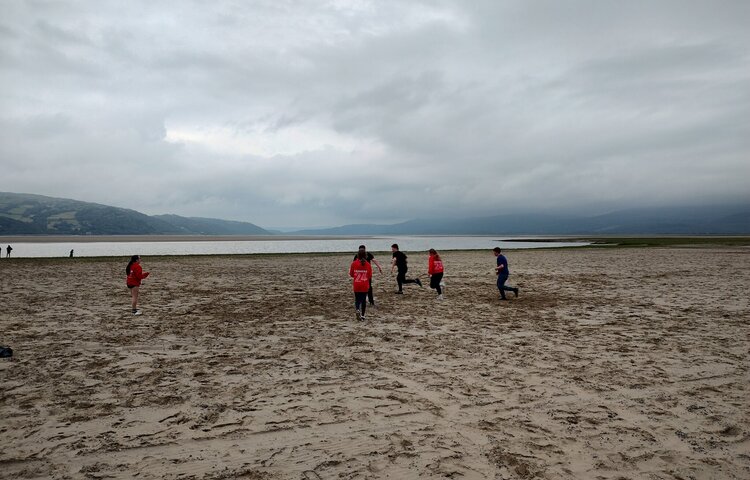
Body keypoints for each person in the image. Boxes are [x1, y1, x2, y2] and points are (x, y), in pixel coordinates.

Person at [349, 250, 373, 321]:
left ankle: (357, 309)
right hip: (364, 285)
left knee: (357, 299)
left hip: (357, 284)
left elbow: (351, 274)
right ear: (365, 256)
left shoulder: (354, 263)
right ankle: (362, 315)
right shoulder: (368, 264)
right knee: (363, 300)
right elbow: (369, 276)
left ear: (358, 255)